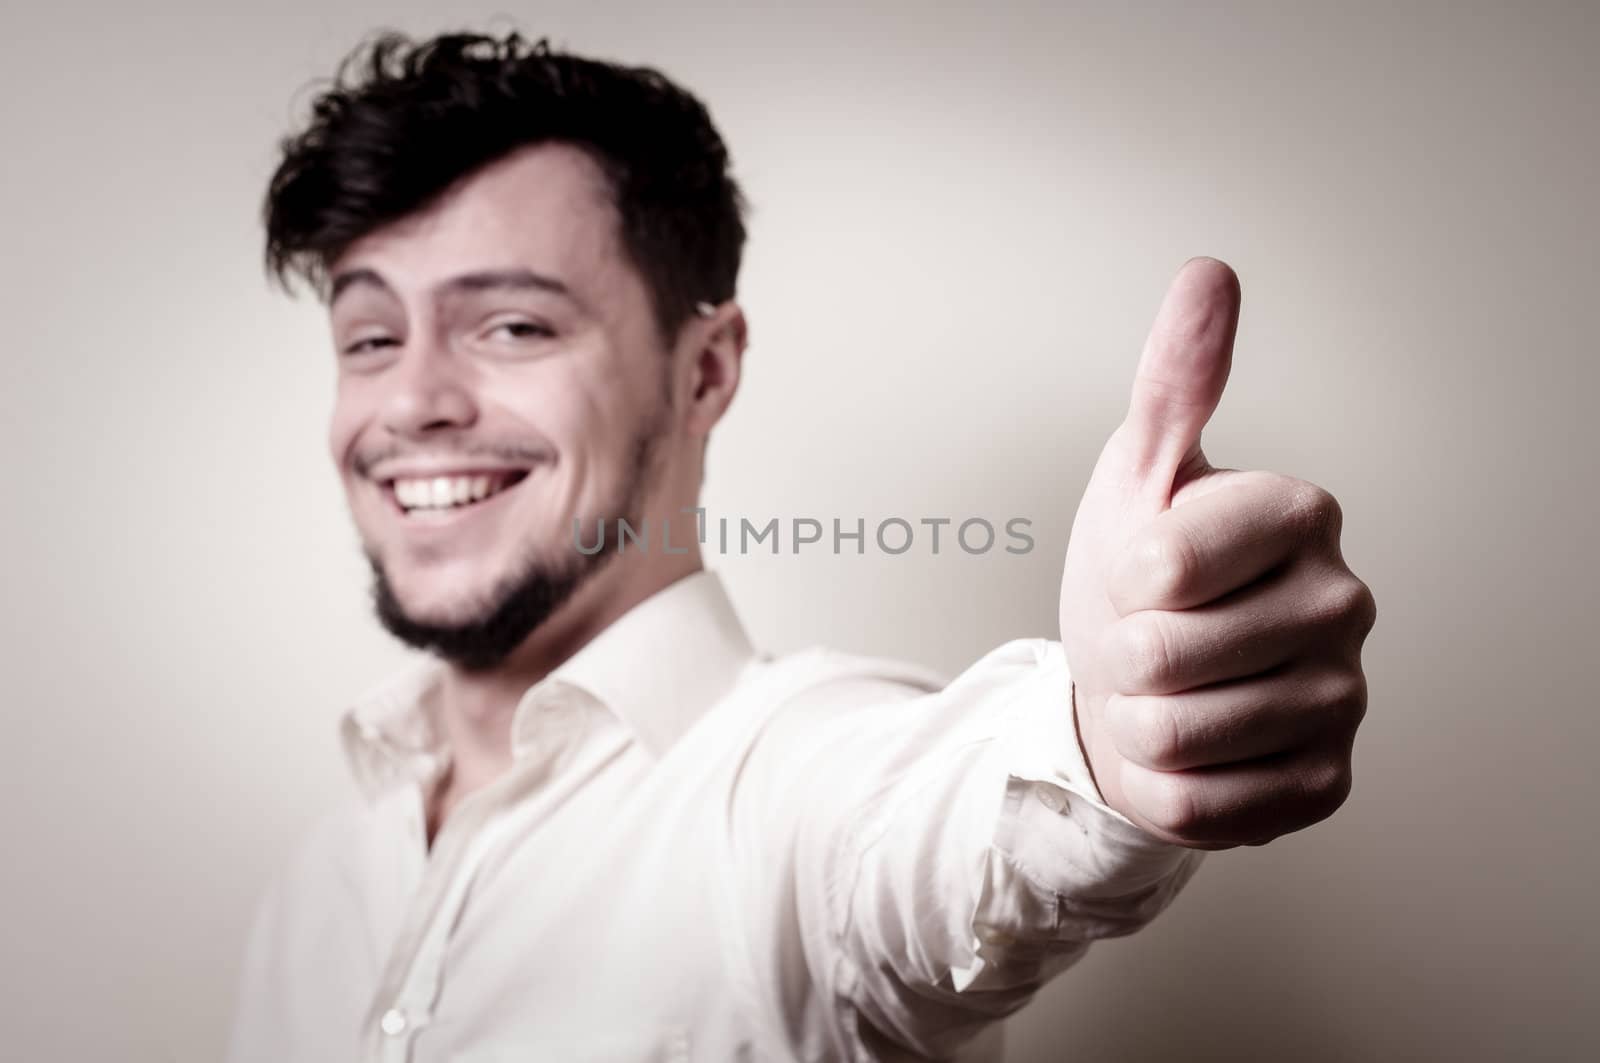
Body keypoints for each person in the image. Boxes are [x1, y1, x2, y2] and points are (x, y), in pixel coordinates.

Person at [227, 30, 1376, 1063]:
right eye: (368, 336)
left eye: (514, 325)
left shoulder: (795, 800)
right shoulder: (319, 883)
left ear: (705, 369)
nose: (413, 399)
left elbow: (957, 838)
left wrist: (1102, 749)